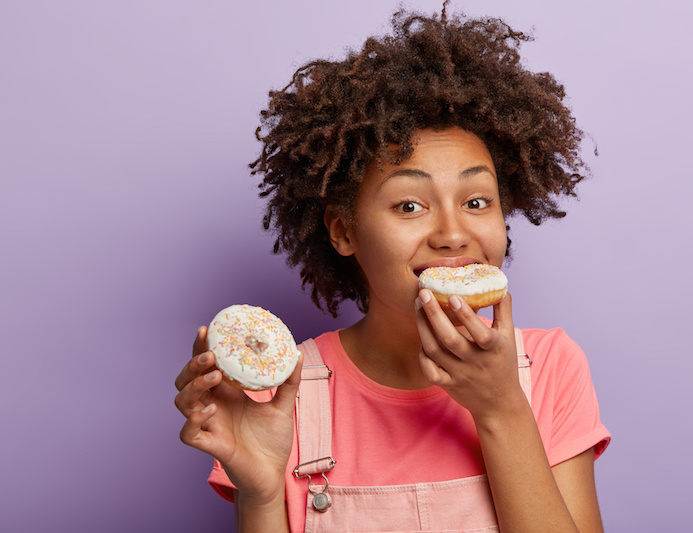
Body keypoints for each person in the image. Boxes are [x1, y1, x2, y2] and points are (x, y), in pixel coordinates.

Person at [175, 3, 610, 532]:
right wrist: (262, 493)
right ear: (344, 232)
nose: (453, 234)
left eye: (477, 202)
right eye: (410, 205)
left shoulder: (548, 368)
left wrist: (501, 411)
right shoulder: (281, 393)